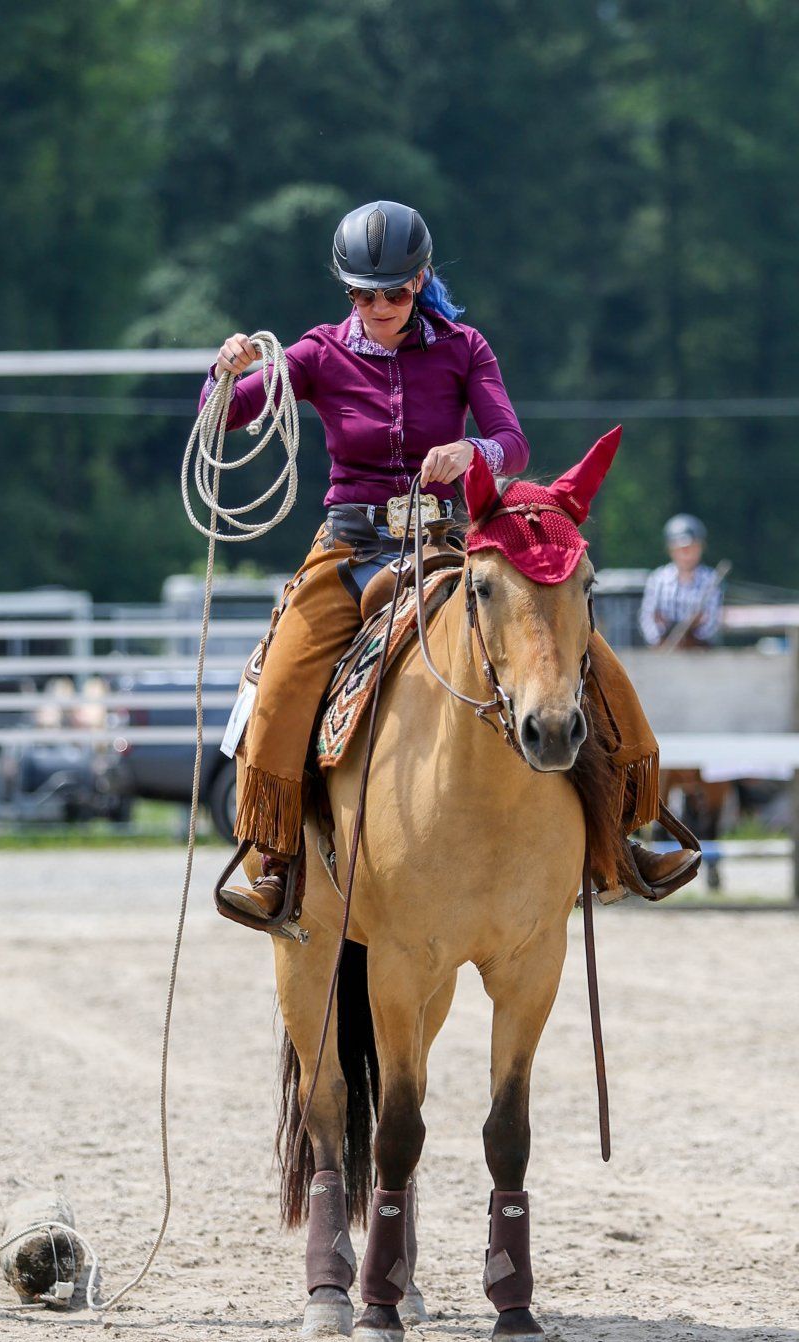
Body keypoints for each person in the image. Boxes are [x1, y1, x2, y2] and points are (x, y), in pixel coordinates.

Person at [201, 200, 699, 923]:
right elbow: (226, 418)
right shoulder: (313, 355)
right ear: (346, 291)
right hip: (350, 546)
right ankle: (275, 855)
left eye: (395, 293)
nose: (379, 307)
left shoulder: (465, 348)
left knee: (574, 647)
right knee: (281, 678)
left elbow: (512, 441)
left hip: (447, 539)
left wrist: (475, 453)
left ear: (420, 281)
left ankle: (624, 831)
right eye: (363, 294)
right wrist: (222, 374)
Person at [639, 515, 723, 648]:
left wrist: (692, 638)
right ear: (671, 550)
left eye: (692, 548)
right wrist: (659, 641)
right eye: (681, 549)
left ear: (700, 548)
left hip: (700, 653)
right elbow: (647, 618)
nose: (686, 554)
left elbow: (712, 621)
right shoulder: (658, 579)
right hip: (663, 650)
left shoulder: (711, 579)